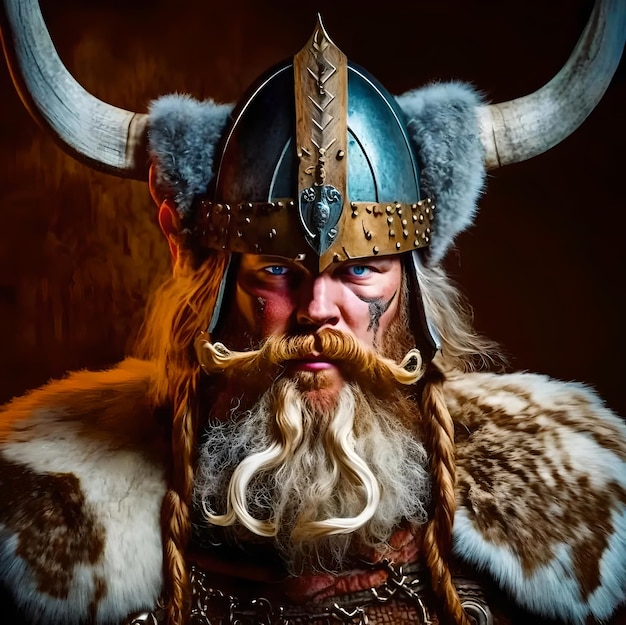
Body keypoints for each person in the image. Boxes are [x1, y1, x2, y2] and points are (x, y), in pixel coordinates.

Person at [0, 0, 625, 624]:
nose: (317, 311)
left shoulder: (565, 519)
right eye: (277, 271)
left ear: (411, 288)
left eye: (359, 269)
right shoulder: (44, 516)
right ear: (212, 285)